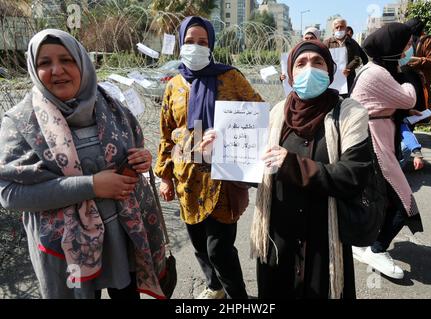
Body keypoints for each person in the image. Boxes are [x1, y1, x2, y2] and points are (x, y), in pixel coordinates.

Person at [0, 29, 167, 299]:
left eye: (67, 60)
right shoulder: (21, 122)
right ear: (33, 67)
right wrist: (91, 186)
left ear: (82, 62)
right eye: (45, 63)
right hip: (66, 252)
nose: (57, 70)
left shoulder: (110, 105)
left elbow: (132, 147)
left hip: (120, 237)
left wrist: (141, 159)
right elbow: (9, 194)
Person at [249, 40, 372, 299]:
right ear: (290, 74)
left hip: (324, 237)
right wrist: (219, 152)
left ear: (330, 69)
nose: (309, 69)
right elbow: (256, 170)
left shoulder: (350, 114)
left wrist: (292, 164)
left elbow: (353, 175)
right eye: (301, 63)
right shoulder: (275, 114)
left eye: (318, 62)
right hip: (278, 238)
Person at [155, 16, 263, 299]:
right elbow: (167, 133)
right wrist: (165, 175)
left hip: (222, 179)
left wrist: (224, 134)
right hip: (186, 180)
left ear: (211, 45)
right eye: (189, 41)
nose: (195, 47)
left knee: (220, 247)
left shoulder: (230, 78)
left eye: (202, 42)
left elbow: (258, 115)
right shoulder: (174, 85)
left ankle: (237, 297)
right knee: (199, 244)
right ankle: (214, 286)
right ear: (180, 43)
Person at [351, 23, 424, 279]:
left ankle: (366, 243)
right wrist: (407, 78)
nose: (410, 49)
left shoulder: (375, 69)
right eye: (407, 45)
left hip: (379, 137)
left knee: (382, 197)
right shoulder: (377, 74)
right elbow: (409, 98)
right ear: (393, 47)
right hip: (375, 142)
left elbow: (391, 103)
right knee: (404, 200)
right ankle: (376, 248)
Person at [324, 18, 363, 96]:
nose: (339, 29)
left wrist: (348, 68)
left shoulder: (352, 43)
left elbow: (357, 59)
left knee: (347, 101)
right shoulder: (327, 43)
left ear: (345, 28)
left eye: (341, 27)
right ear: (333, 30)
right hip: (331, 79)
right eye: (337, 27)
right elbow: (323, 58)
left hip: (348, 78)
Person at [405, 17, 431, 110]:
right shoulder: (406, 40)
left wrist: (416, 60)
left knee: (421, 107)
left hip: (420, 80)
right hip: (406, 78)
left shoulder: (427, 40)